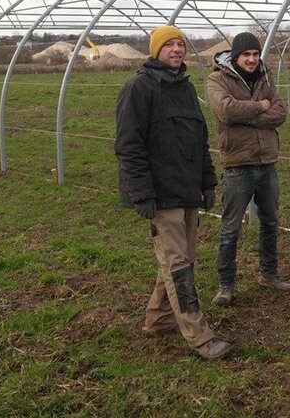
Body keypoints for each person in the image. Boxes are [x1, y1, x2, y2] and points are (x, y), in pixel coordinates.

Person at [114, 25, 231, 360]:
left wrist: (207, 181)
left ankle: (159, 318)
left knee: (181, 259)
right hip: (160, 193)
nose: (177, 50)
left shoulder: (185, 88)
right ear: (156, 51)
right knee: (178, 262)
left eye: (180, 44)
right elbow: (128, 146)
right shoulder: (140, 88)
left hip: (187, 189)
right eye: (169, 45)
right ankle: (199, 335)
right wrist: (142, 193)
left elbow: (200, 140)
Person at [207, 32, 290, 307]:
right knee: (231, 227)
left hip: (267, 162)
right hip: (238, 163)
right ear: (236, 56)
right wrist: (259, 106)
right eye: (247, 55)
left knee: (270, 222)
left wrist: (247, 118)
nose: (252, 59)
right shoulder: (217, 79)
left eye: (256, 54)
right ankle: (226, 285)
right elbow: (225, 111)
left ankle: (269, 274)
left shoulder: (266, 77)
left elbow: (281, 112)